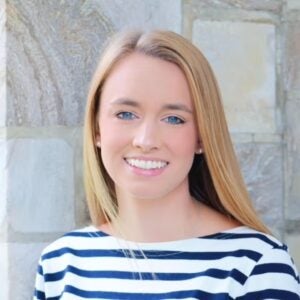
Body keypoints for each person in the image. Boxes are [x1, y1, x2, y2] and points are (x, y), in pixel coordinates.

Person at [33, 30, 300, 299]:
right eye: (125, 114)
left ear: (202, 136)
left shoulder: (256, 265)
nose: (146, 140)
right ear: (96, 129)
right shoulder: (61, 264)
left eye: (174, 118)